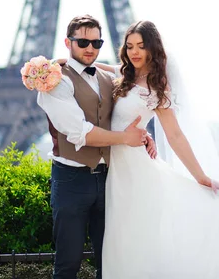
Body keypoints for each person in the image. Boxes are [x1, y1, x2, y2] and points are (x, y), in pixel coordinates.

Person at [95, 20, 219, 279]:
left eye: (141, 46)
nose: (134, 52)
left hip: (136, 172)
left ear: (152, 48)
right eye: (129, 46)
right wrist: (62, 64)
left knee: (134, 242)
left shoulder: (157, 88)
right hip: (119, 169)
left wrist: (201, 177)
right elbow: (99, 68)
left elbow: (175, 135)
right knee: (120, 241)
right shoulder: (126, 75)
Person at [36, 15, 157, 279]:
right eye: (82, 42)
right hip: (71, 181)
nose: (90, 48)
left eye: (96, 42)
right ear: (68, 42)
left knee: (112, 264)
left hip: (111, 180)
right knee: (67, 265)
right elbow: (81, 132)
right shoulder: (55, 82)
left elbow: (123, 111)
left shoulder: (108, 77)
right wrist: (126, 138)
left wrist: (141, 133)